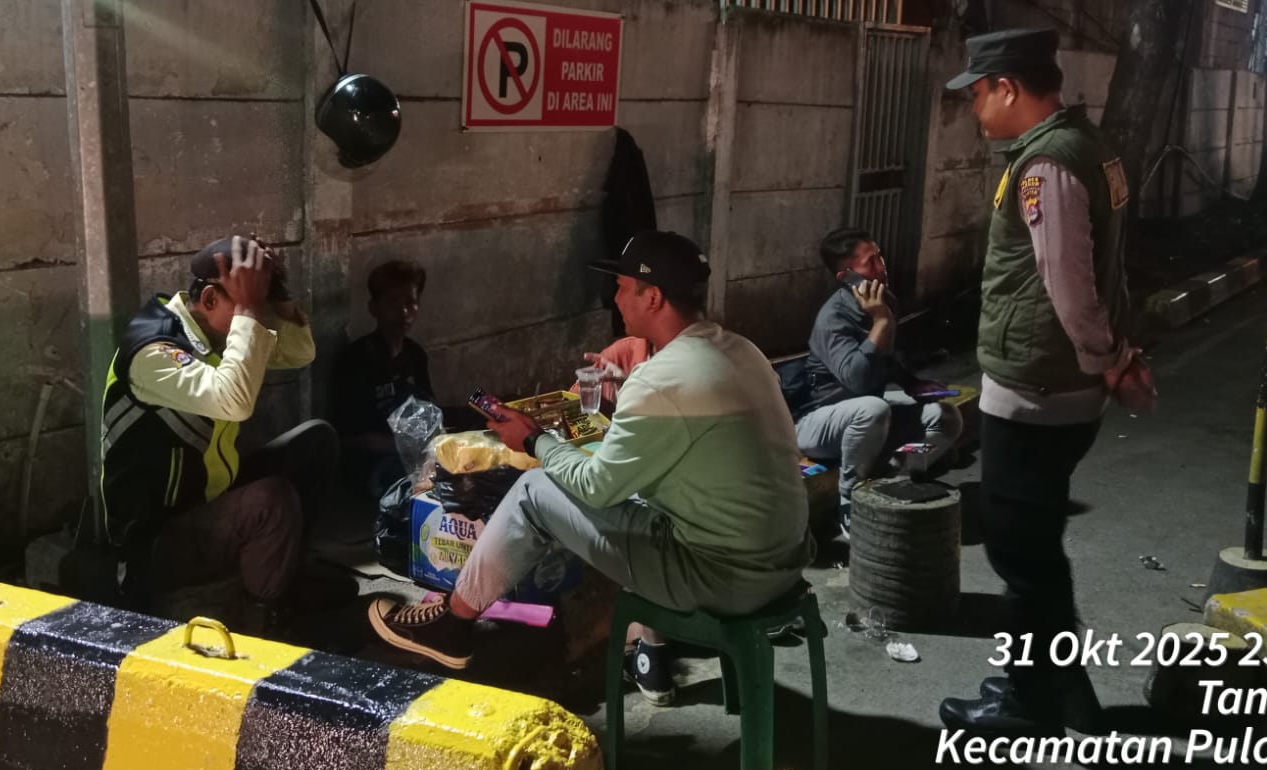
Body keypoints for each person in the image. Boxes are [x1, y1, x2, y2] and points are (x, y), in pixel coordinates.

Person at [367, 231, 812, 698]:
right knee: (629, 490)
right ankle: (646, 649)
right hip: (782, 563)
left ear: (653, 297)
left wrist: (533, 439)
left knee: (534, 491)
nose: (615, 299)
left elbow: (597, 486)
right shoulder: (742, 351)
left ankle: (451, 627)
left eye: (622, 287)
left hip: (724, 579)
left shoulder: (663, 379)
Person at [938, 28, 1154, 737]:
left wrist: (1108, 356)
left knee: (1021, 553)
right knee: (1034, 546)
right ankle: (1057, 692)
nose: (975, 108)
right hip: (1061, 387)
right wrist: (1115, 355)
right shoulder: (1088, 145)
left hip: (1036, 389)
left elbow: (1071, 284)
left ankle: (1038, 703)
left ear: (1008, 88)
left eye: (978, 93)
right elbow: (1106, 265)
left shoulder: (1046, 165)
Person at [99, 234, 337, 630]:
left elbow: (300, 353)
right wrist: (248, 309)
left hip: (208, 498)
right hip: (156, 541)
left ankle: (286, 572)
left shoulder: (212, 329)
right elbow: (234, 401)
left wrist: (276, 292)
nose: (255, 318)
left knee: (316, 442)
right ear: (210, 299)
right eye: (248, 306)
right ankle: (265, 617)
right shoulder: (153, 351)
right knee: (271, 500)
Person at [792, 228, 963, 535]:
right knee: (872, 408)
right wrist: (881, 321)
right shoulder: (833, 318)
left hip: (869, 416)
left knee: (946, 416)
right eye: (870, 262)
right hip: (818, 423)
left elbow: (888, 359)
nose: (882, 267)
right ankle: (849, 502)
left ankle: (899, 478)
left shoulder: (886, 301)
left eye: (880, 256)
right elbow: (857, 381)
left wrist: (911, 383)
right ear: (847, 276)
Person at [331, 260, 435, 496]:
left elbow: (429, 411)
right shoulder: (356, 359)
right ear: (374, 308)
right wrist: (404, 448)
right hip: (370, 465)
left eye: (411, 303)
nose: (404, 313)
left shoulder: (416, 355)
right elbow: (347, 437)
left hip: (413, 456)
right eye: (393, 304)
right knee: (423, 485)